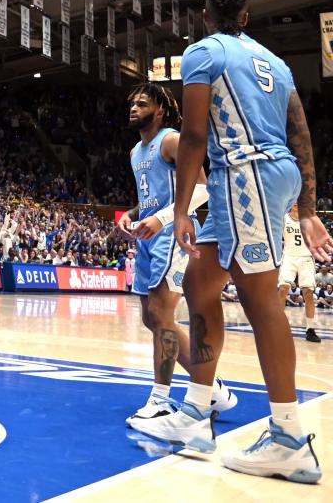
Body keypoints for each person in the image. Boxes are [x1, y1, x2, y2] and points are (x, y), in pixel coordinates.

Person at [130, 0, 333, 483]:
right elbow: (301, 132)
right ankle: (197, 413)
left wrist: (180, 211)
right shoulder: (277, 64)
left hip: (247, 176)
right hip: (258, 176)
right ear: (244, 17)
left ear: (205, 16)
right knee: (199, 284)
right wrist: (307, 206)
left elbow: (195, 133)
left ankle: (289, 436)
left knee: (261, 297)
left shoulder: (203, 52)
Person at [117, 83, 235, 428]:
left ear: (161, 110)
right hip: (148, 237)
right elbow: (150, 197)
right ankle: (211, 386)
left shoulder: (171, 140)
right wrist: (133, 213)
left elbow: (201, 188)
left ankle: (160, 399)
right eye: (132, 103)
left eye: (142, 103)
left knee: (160, 312)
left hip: (173, 234)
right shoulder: (135, 152)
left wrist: (162, 218)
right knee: (151, 319)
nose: (134, 108)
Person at [277, 207, 321, 343]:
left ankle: (310, 329)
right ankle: (277, 326)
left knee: (308, 292)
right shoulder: (283, 218)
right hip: (289, 257)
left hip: (306, 257)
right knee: (283, 289)